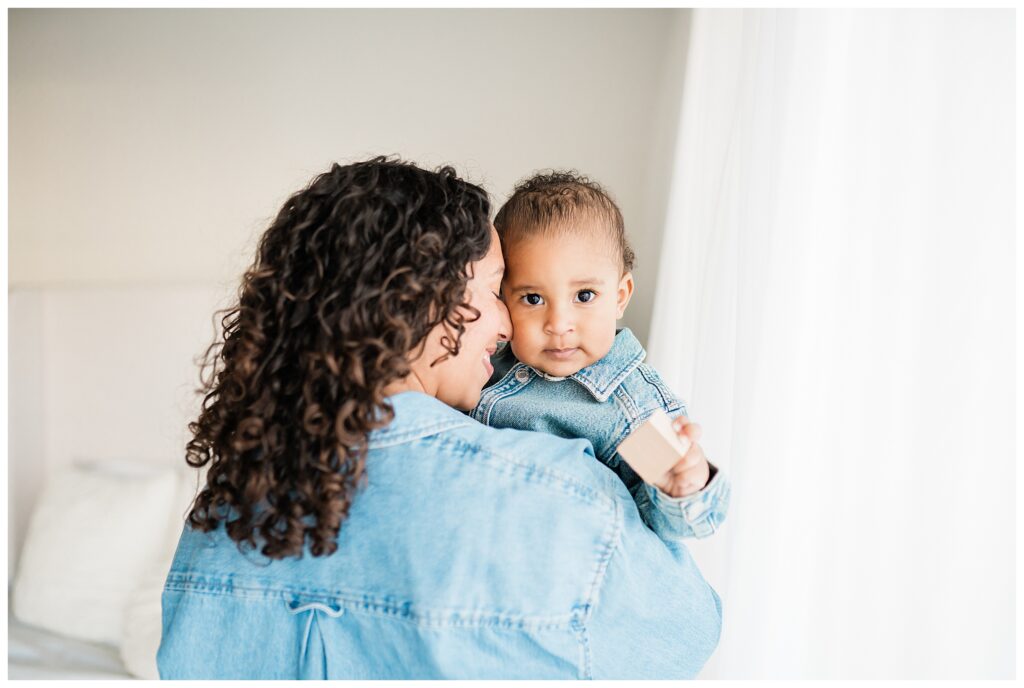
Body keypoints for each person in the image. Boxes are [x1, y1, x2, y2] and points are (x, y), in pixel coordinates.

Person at [156, 157, 723, 679]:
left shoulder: (225, 509)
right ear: (426, 300)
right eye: (504, 292)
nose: (508, 327)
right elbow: (686, 632)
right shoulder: (562, 495)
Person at [471, 171, 729, 543]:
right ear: (502, 298)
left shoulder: (630, 409)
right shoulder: (486, 360)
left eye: (584, 296)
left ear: (620, 295)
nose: (559, 324)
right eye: (532, 299)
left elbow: (679, 526)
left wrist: (683, 484)